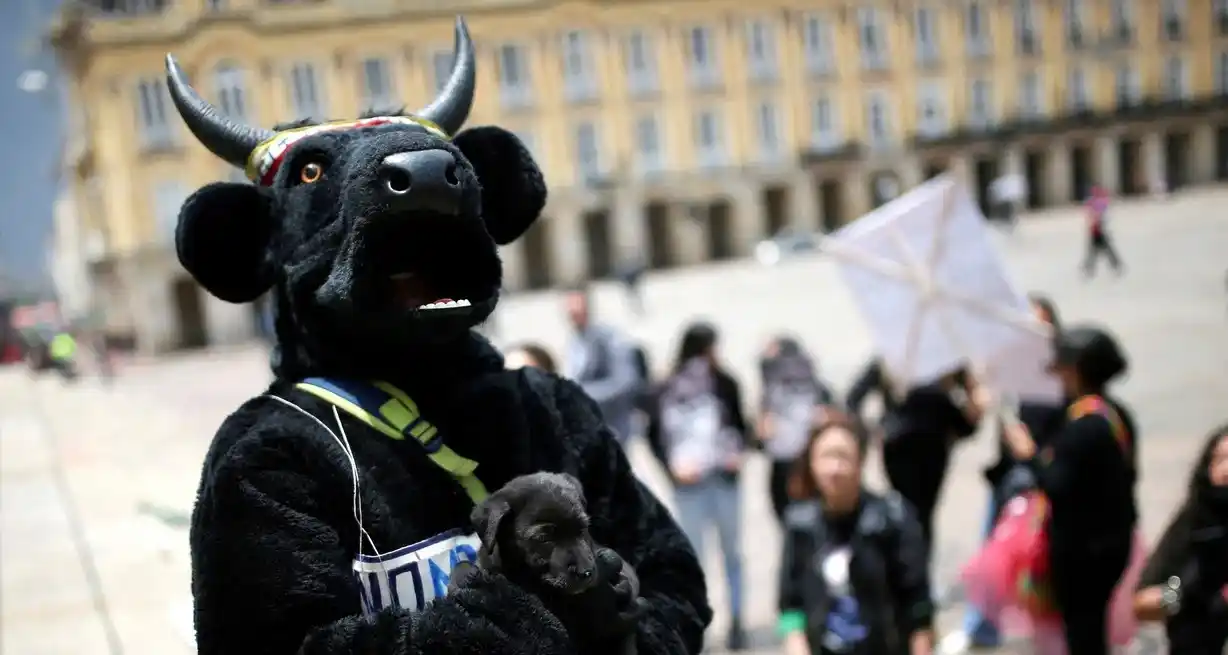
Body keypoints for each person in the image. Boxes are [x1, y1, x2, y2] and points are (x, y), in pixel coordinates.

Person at [164, 20, 709, 655]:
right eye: (393, 266)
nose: (412, 282)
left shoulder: (549, 409)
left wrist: (631, 634)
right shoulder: (272, 456)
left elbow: (674, 575)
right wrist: (500, 632)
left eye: (429, 259)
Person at [1001, 324, 1138, 654]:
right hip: (1111, 542)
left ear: (1076, 370)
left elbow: (1056, 485)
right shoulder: (1113, 414)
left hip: (1085, 553)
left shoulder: (1085, 426)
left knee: (1084, 635)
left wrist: (1029, 455)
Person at [944, 294, 1066, 654]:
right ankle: (982, 626)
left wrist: (1033, 452)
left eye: (1039, 326)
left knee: (1038, 563)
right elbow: (975, 419)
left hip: (1044, 483)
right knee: (992, 556)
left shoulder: (1063, 378)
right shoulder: (1007, 372)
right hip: (1009, 480)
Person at [778, 415, 935, 655]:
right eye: (826, 457)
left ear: (860, 462)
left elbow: (918, 604)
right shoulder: (800, 526)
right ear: (812, 463)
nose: (835, 469)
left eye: (843, 456)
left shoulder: (892, 519)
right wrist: (796, 643)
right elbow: (790, 605)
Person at [646, 322, 752, 650]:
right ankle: (697, 623)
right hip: (689, 486)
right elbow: (654, 435)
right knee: (694, 557)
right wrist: (671, 470)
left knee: (731, 552)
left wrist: (738, 454)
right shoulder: (666, 387)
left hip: (723, 479)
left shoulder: (725, 383)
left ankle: (737, 619)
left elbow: (741, 426)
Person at [846, 361, 985, 558]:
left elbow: (967, 422)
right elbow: (853, 399)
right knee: (904, 511)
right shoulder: (893, 356)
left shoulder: (949, 360)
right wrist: (872, 430)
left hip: (933, 452)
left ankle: (916, 566)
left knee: (923, 515)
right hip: (899, 452)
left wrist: (974, 397)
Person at [1132, 424, 1228, 654]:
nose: (1227, 469)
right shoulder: (1194, 522)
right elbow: (1142, 603)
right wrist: (1181, 593)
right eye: (1219, 459)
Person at [757, 335, 836, 523]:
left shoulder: (818, 389)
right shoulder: (771, 392)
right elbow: (760, 434)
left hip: (809, 461)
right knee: (784, 517)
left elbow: (833, 418)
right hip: (782, 462)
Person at [563, 285, 645, 445]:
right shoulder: (575, 340)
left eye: (577, 307)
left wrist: (583, 394)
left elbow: (626, 381)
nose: (573, 312)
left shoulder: (610, 338)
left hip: (614, 426)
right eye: (569, 309)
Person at [1082, 186, 1123, 278]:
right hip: (1095, 231)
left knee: (1100, 251)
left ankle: (1114, 265)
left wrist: (1097, 219)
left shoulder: (1099, 203)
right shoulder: (1094, 203)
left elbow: (1102, 215)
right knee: (1096, 251)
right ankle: (1089, 268)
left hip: (1099, 231)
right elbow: (1091, 214)